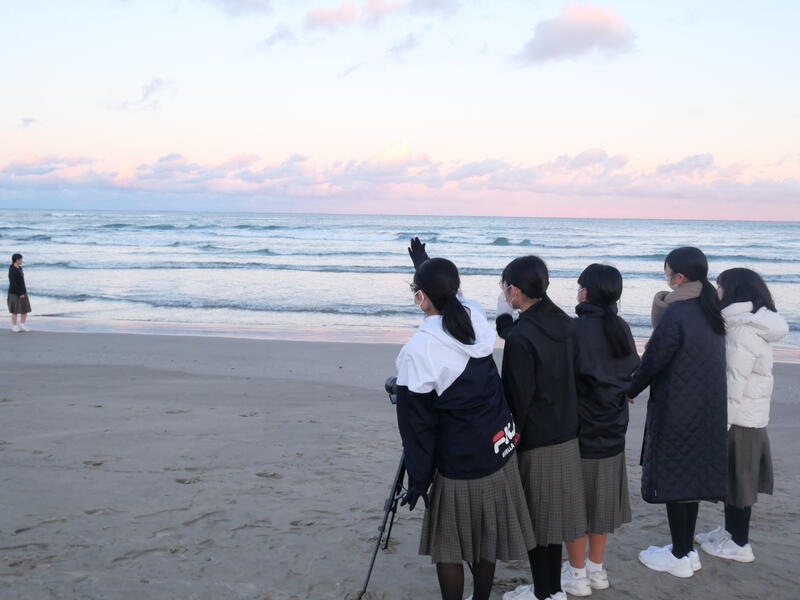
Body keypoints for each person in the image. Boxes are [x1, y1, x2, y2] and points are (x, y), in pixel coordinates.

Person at [395, 240, 535, 600]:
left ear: (420, 298)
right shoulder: (472, 313)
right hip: (499, 444)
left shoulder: (419, 349)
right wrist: (425, 265)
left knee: (449, 548)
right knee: (486, 537)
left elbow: (417, 428)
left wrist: (418, 479)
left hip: (460, 462)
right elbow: (449, 296)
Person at [628, 247, 727, 578]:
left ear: (680, 277)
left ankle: (681, 554)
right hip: (707, 407)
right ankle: (685, 550)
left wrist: (630, 389)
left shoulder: (678, 312)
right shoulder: (710, 309)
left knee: (675, 480)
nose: (666, 277)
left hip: (678, 408)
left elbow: (655, 358)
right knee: (689, 481)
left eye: (667, 272)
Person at [496, 255, 586, 600]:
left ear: (516, 291)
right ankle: (551, 590)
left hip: (536, 438)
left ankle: (545, 592)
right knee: (553, 521)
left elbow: (517, 397)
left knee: (537, 522)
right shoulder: (566, 323)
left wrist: (510, 440)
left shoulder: (522, 336)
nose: (505, 293)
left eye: (506, 287)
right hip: (567, 433)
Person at [695, 268, 788, 562]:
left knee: (740, 482)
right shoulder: (749, 323)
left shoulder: (742, 329)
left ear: (733, 290)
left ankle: (740, 544)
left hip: (739, 418)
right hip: (748, 414)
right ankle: (730, 532)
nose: (717, 291)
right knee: (736, 480)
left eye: (720, 286)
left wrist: (719, 424)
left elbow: (734, 381)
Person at [558, 264, 640, 596]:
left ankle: (578, 574)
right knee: (601, 501)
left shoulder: (574, 329)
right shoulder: (620, 326)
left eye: (580, 286)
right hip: (614, 429)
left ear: (586, 292)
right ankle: (596, 569)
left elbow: (562, 378)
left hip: (580, 431)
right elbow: (631, 373)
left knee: (575, 504)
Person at [8, 253, 32, 333]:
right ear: (17, 260)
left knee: (25, 309)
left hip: (23, 291)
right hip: (14, 293)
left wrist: (23, 292)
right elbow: (13, 283)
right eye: (21, 259)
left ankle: (22, 324)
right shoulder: (12, 270)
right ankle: (14, 326)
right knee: (14, 310)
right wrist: (20, 293)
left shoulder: (20, 268)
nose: (22, 261)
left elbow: (21, 281)